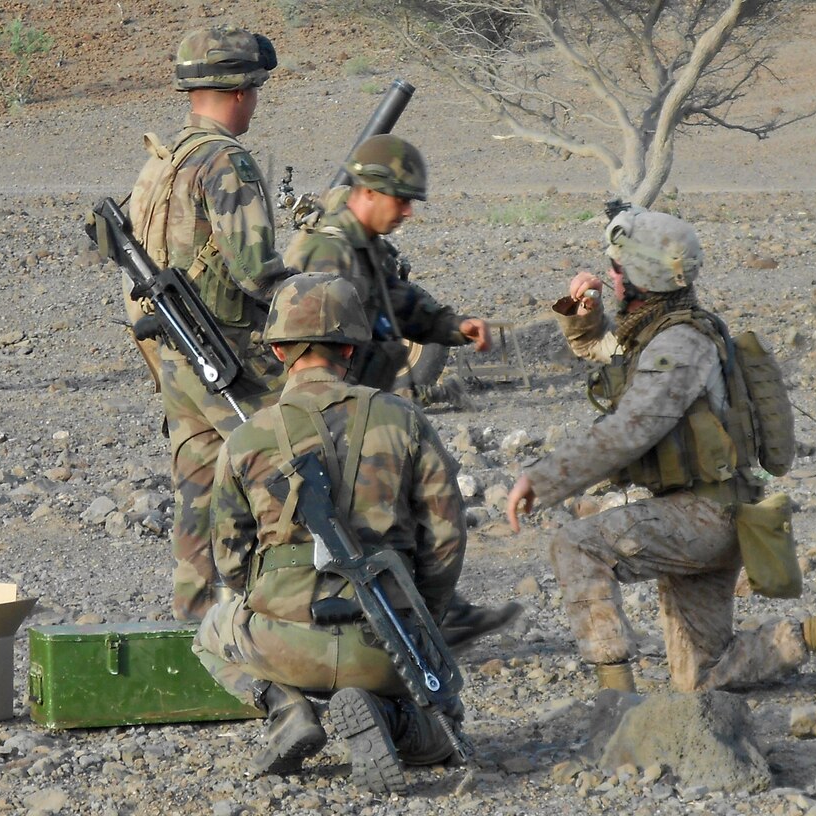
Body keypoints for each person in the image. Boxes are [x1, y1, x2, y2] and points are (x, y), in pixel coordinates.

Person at [507, 206, 816, 699]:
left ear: (641, 278)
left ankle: (617, 704)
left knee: (576, 545)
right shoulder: (664, 332)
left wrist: (541, 480)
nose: (609, 276)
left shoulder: (680, 342)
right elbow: (606, 354)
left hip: (703, 517)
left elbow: (631, 430)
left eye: (617, 270)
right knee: (701, 678)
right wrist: (586, 318)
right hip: (711, 512)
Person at [193, 273, 466, 788]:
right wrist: (422, 620)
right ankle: (393, 719)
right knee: (439, 740)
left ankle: (286, 707)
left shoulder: (247, 436)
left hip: (286, 644)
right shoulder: (403, 418)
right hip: (387, 646)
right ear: (352, 345)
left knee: (210, 632)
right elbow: (446, 538)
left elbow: (228, 558)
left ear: (277, 349)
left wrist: (268, 600)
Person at [283, 133, 520, 649]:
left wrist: (454, 326)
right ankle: (386, 625)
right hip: (335, 416)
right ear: (367, 191)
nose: (408, 212)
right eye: (401, 199)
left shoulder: (363, 249)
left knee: (411, 505)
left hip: (363, 409)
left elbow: (399, 304)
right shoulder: (329, 252)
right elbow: (310, 343)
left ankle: (428, 613)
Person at [127, 25, 293, 621]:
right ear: (243, 91)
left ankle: (195, 634)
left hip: (174, 359)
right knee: (293, 472)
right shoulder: (226, 162)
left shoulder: (163, 161)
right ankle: (288, 623)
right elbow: (256, 274)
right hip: (224, 358)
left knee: (196, 498)